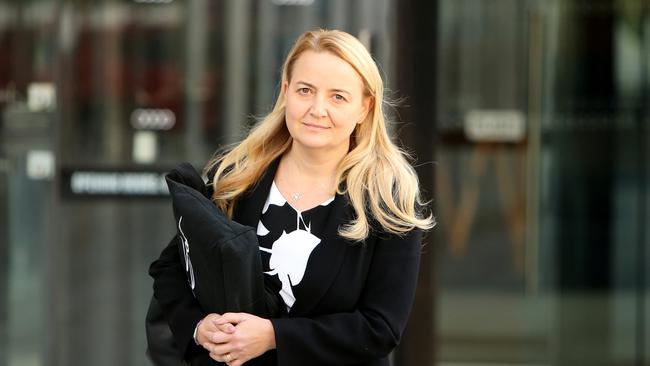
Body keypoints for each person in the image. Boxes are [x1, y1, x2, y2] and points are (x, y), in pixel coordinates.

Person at [149, 28, 434, 366]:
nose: (317, 109)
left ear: (365, 108)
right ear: (285, 92)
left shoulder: (388, 202)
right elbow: (171, 268)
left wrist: (273, 337)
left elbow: (380, 327)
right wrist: (197, 327)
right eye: (305, 90)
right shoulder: (238, 177)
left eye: (338, 97)